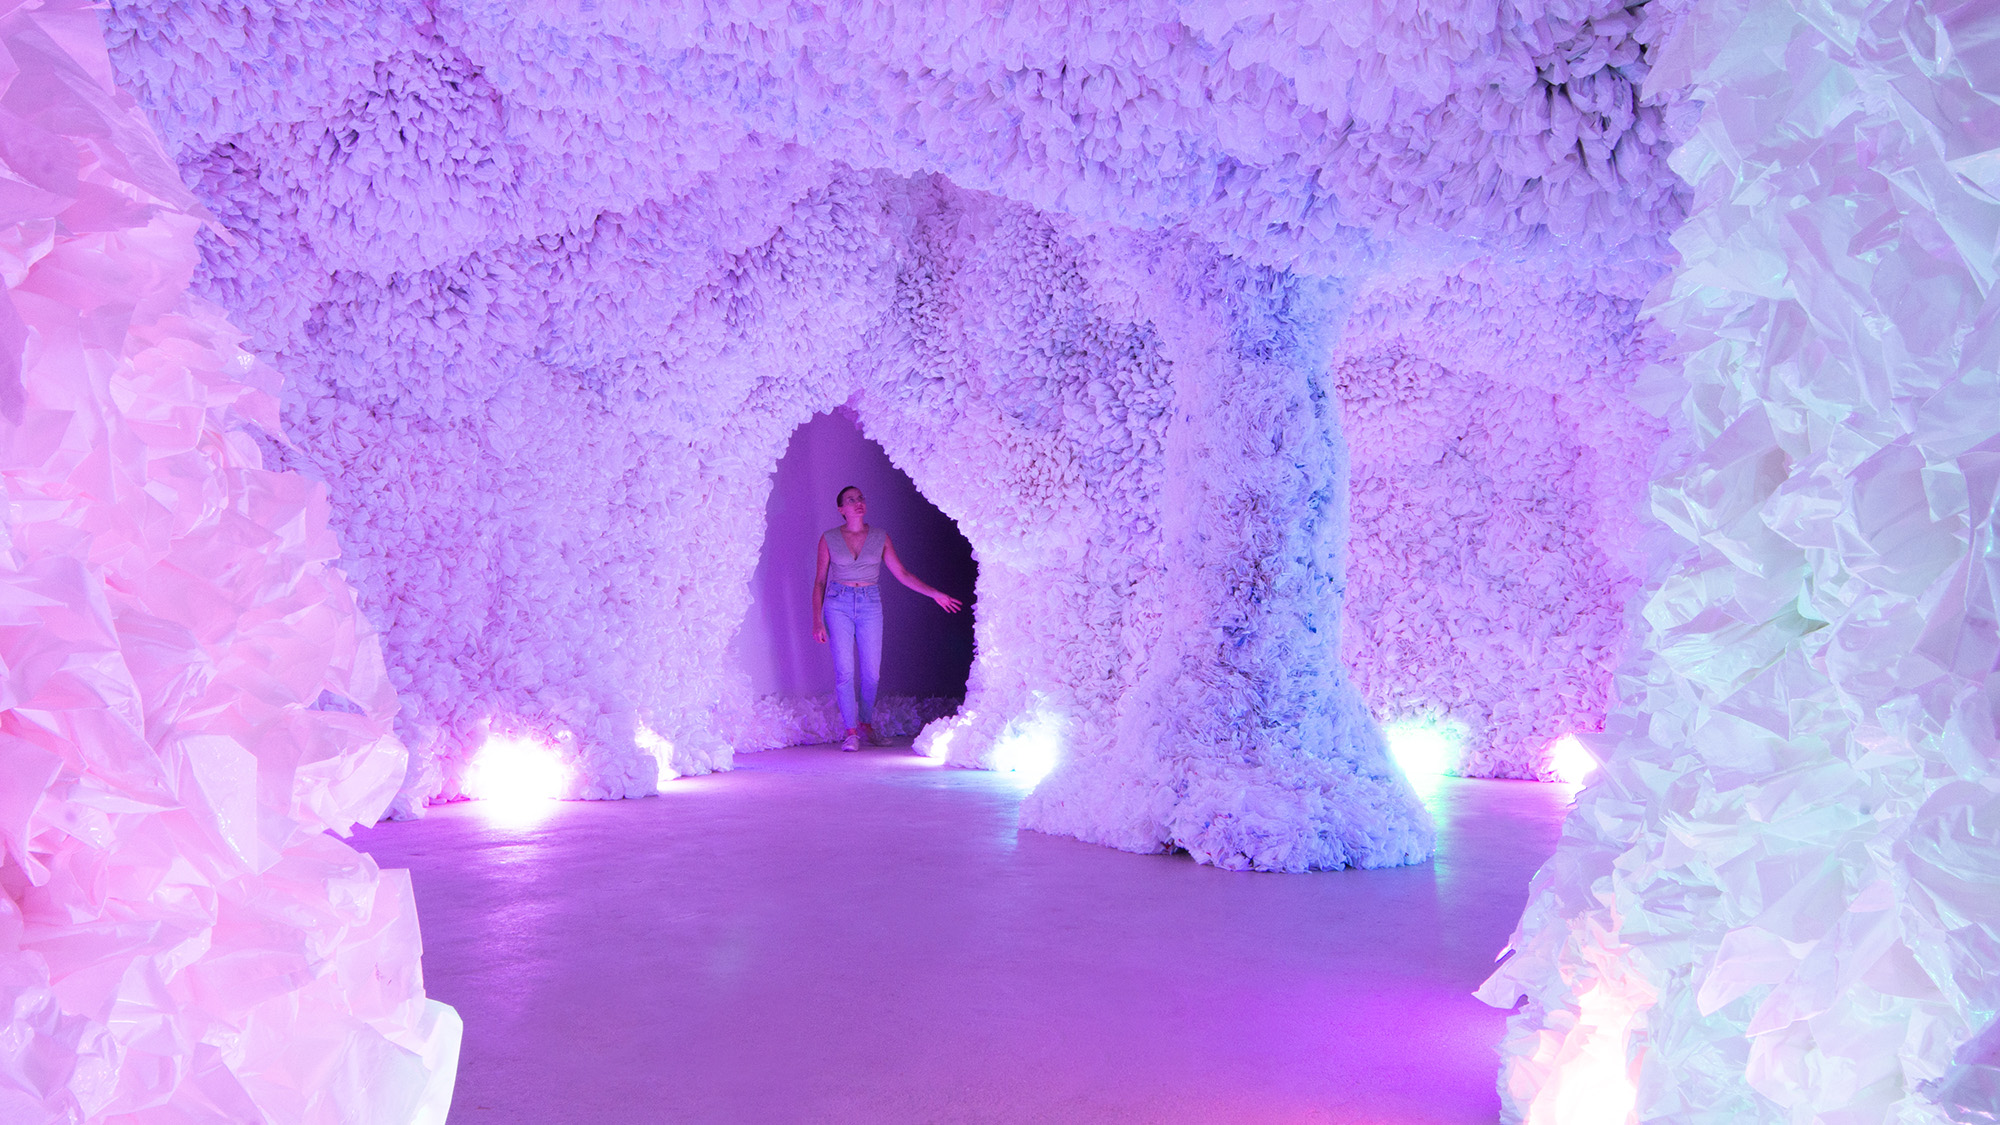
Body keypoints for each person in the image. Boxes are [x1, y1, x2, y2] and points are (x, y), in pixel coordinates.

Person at [812, 485, 964, 752]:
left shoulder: (880, 537)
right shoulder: (829, 538)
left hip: (870, 602)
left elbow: (903, 574)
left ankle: (866, 724)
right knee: (844, 671)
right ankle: (851, 732)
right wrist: (816, 620)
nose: (858, 502)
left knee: (871, 672)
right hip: (838, 604)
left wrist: (934, 594)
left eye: (861, 498)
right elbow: (820, 581)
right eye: (851, 500)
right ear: (841, 509)